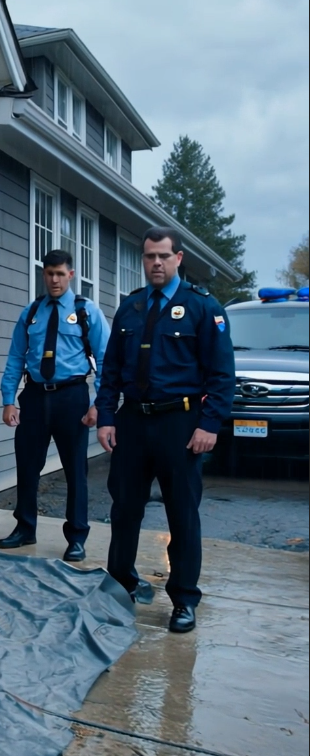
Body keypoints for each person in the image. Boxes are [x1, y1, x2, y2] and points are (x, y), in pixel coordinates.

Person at [95, 227, 235, 633]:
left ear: (179, 258)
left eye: (163, 256)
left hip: (181, 424)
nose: (155, 263)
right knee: (124, 510)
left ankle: (184, 599)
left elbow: (222, 375)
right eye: (149, 257)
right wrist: (106, 416)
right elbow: (111, 371)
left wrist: (209, 425)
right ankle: (121, 586)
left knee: (182, 515)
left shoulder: (202, 307)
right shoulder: (131, 307)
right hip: (133, 423)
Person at [0, 249, 111, 562]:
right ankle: (25, 528)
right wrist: (9, 399)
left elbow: (106, 360)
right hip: (34, 396)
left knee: (76, 469)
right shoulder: (32, 312)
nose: (55, 279)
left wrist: (99, 404)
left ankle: (76, 536)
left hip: (72, 397)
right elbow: (15, 358)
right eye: (49, 273)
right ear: (43, 274)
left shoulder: (87, 312)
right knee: (27, 466)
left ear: (71, 275)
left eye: (60, 273)